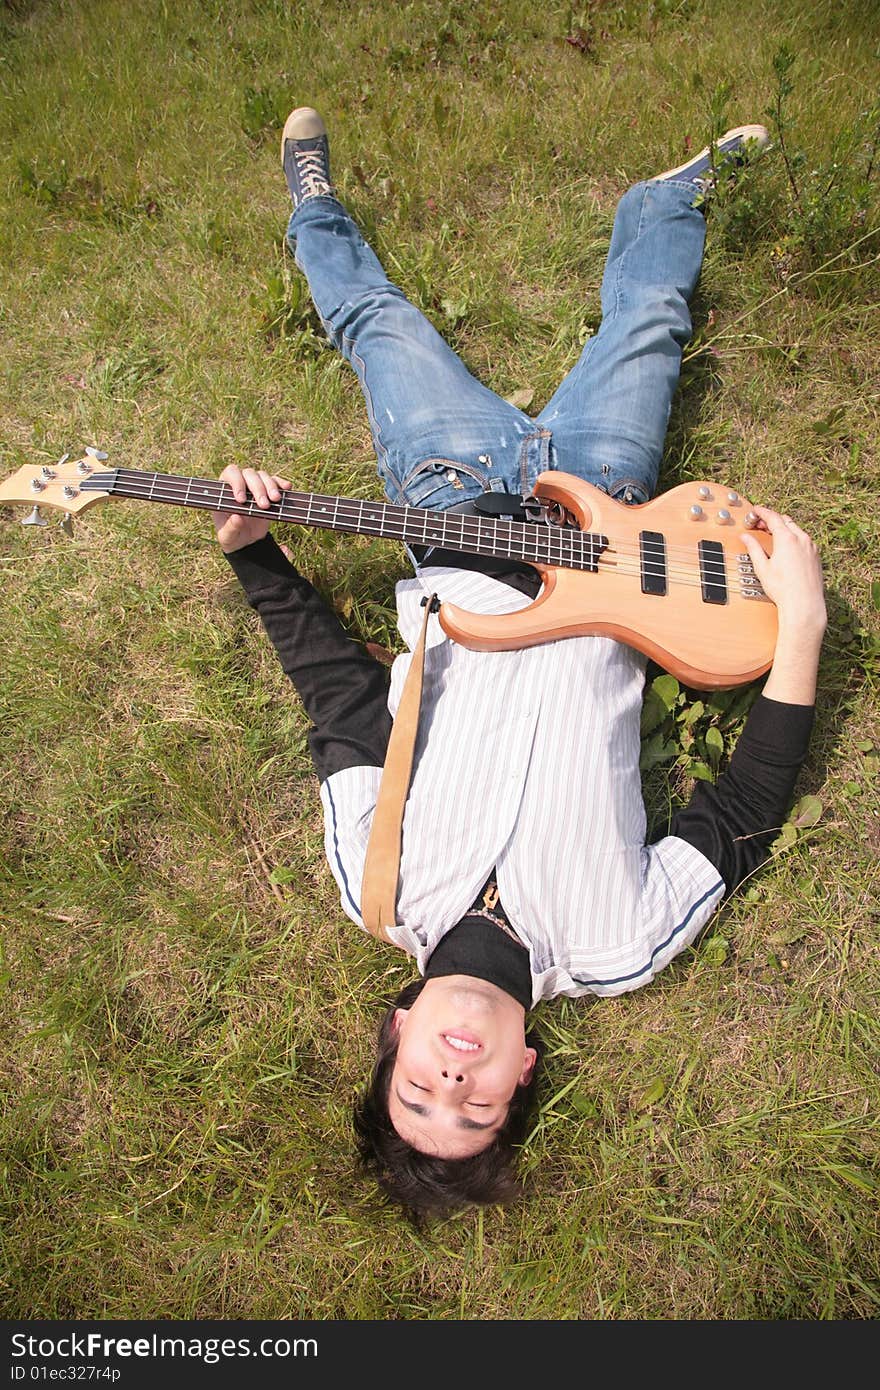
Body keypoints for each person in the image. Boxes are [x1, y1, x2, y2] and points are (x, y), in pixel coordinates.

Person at [211, 109, 827, 1218]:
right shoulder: (620, 942)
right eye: (476, 1106)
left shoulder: (377, 883)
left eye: (419, 1092)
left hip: (449, 502)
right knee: (649, 314)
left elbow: (342, 702)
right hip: (612, 525)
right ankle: (672, 195)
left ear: (395, 1029)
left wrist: (258, 557)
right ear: (522, 1071)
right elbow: (741, 811)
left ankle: (311, 200)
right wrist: (804, 626)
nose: (452, 1080)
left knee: (373, 318)